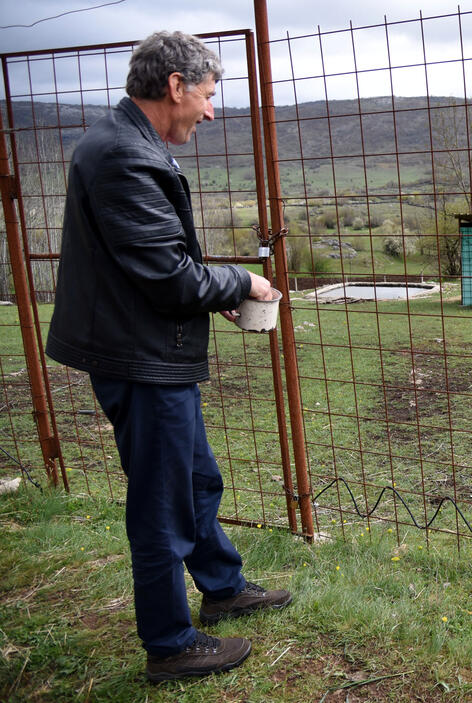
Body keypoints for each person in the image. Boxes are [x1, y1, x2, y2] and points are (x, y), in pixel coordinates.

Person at [46, 31, 291, 682]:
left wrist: (218, 290)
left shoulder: (125, 142)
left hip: (146, 348)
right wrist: (241, 282)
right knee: (161, 501)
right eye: (209, 96)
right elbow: (171, 279)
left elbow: (157, 266)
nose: (212, 112)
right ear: (175, 86)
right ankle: (170, 644)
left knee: (195, 479)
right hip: (140, 358)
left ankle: (222, 585)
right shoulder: (125, 156)